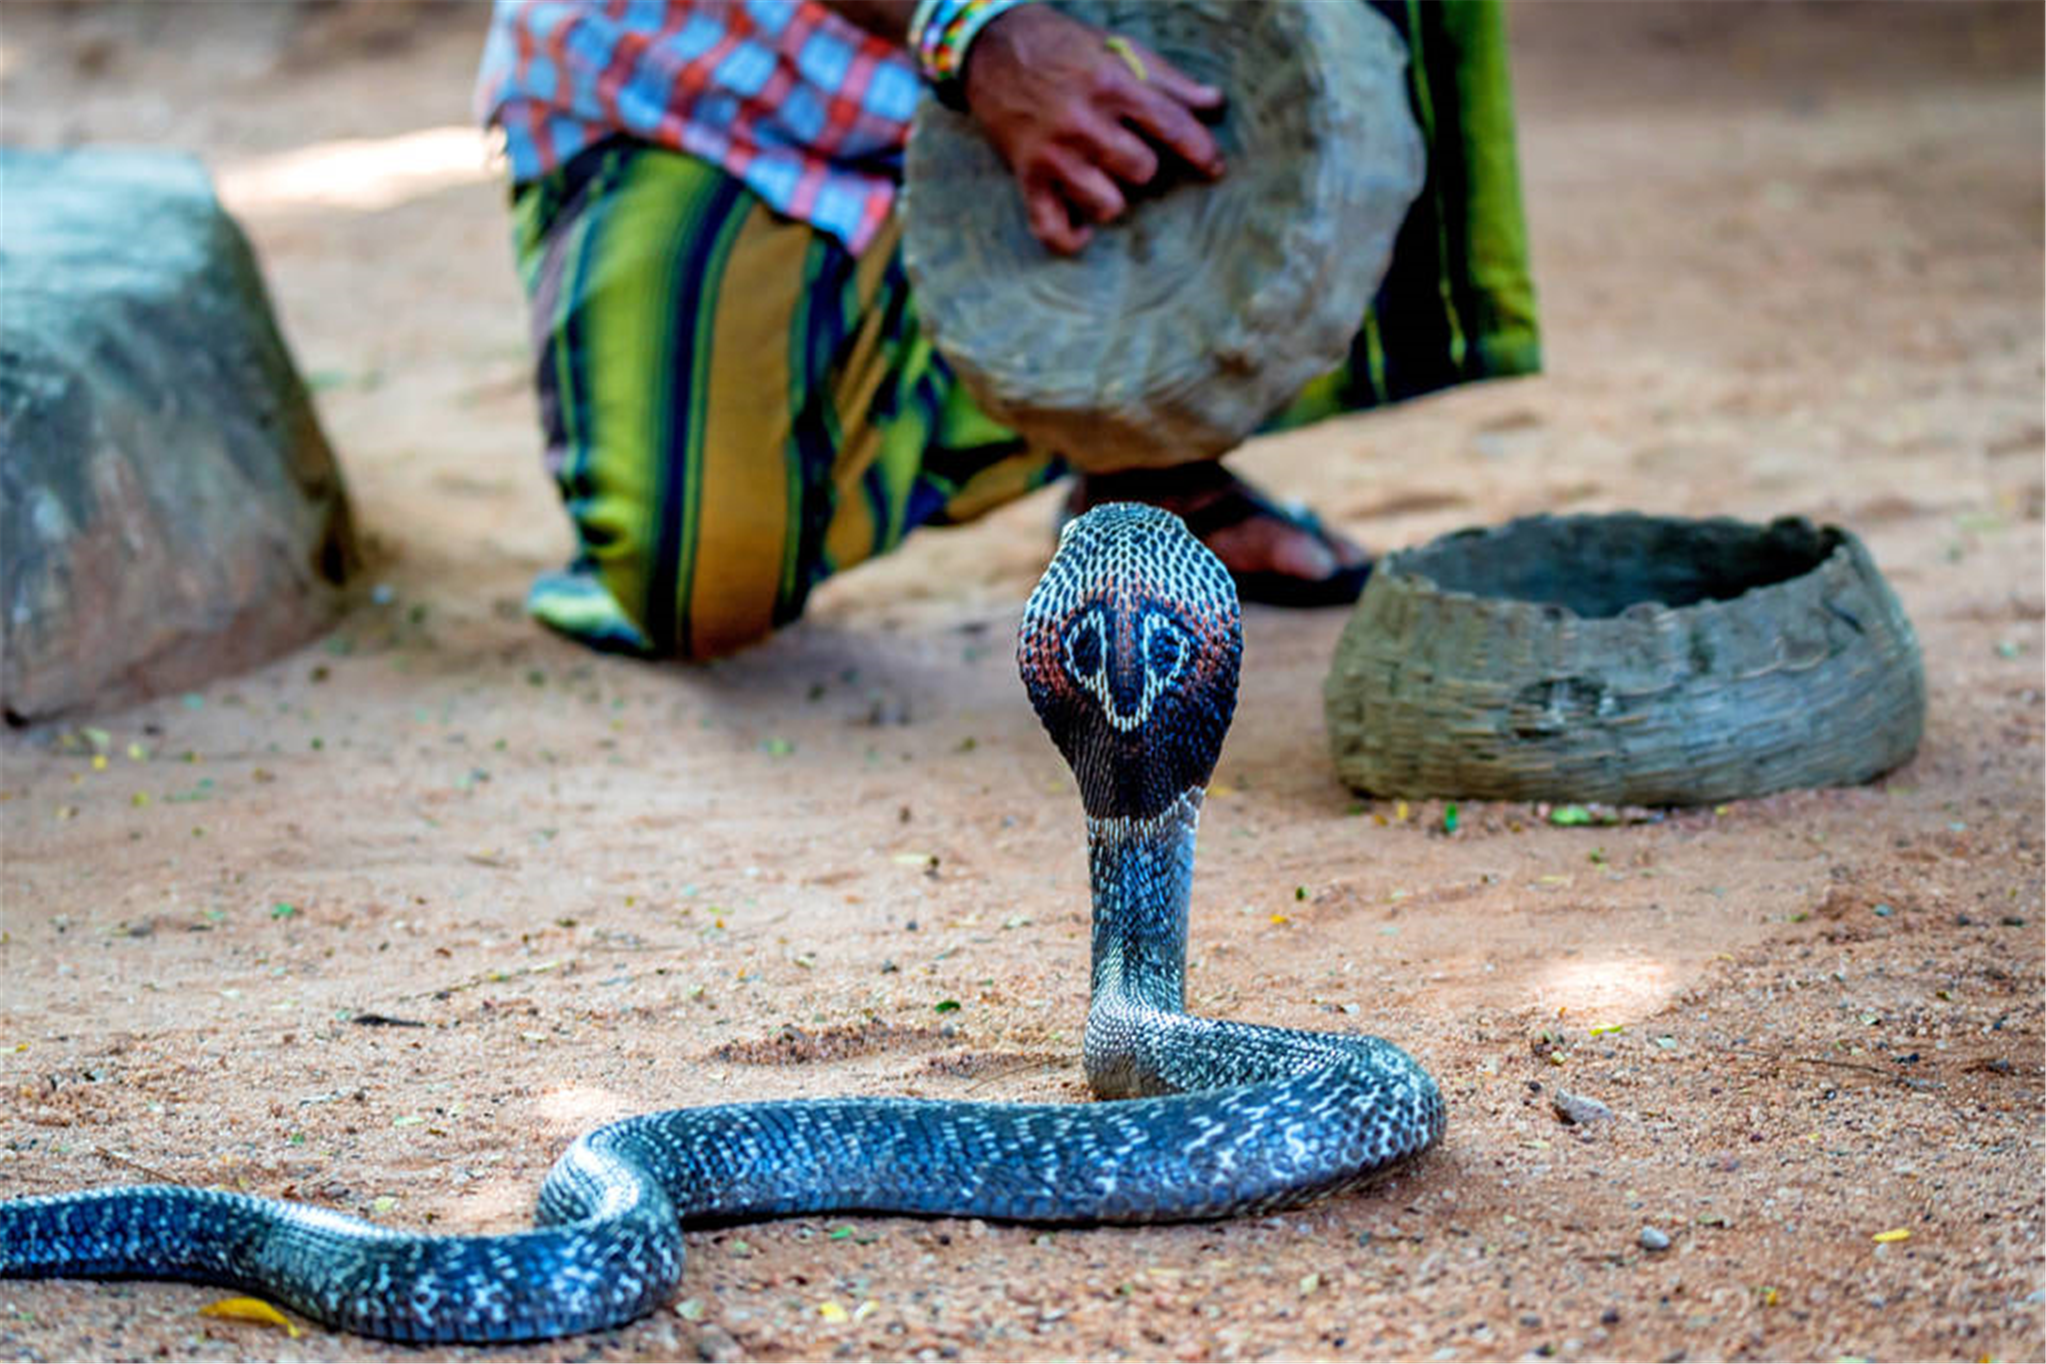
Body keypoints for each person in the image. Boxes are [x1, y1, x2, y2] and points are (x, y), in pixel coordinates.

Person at [475, 0, 1539, 661]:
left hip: (1074, 48)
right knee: (700, 585)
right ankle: (1069, 400)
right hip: (706, 86)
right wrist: (973, 26)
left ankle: (1147, 454)